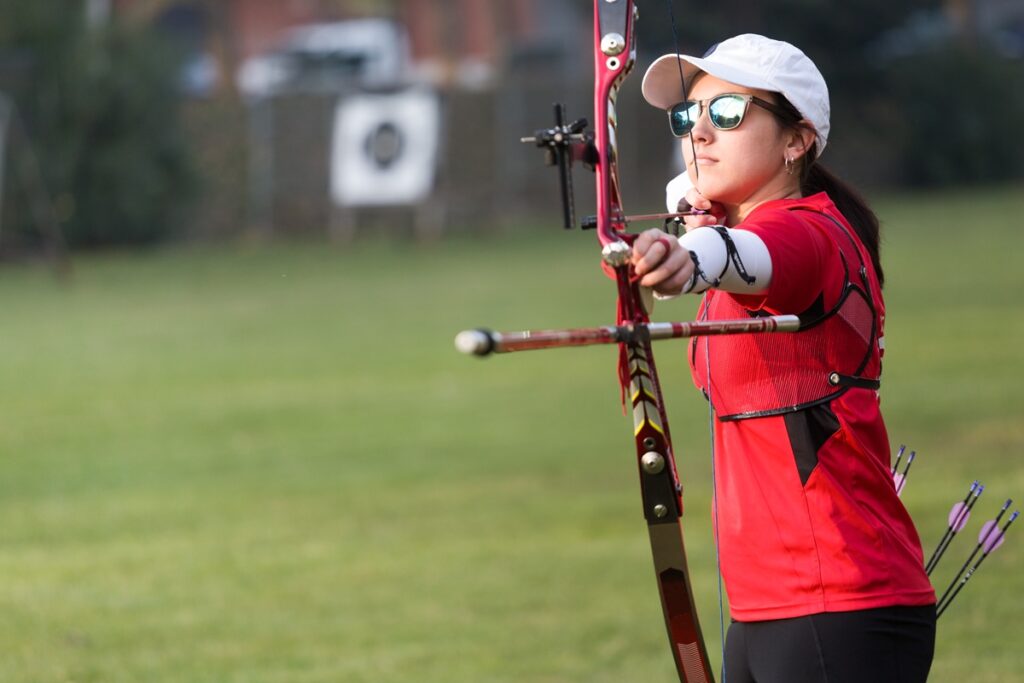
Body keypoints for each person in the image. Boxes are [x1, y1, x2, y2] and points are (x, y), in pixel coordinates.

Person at [631, 34, 936, 683]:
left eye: (730, 113)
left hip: (842, 596)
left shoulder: (810, 233)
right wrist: (691, 233)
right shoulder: (740, 233)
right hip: (766, 604)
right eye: (689, 117)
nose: (701, 133)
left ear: (796, 140)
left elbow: (755, 257)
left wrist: (688, 259)